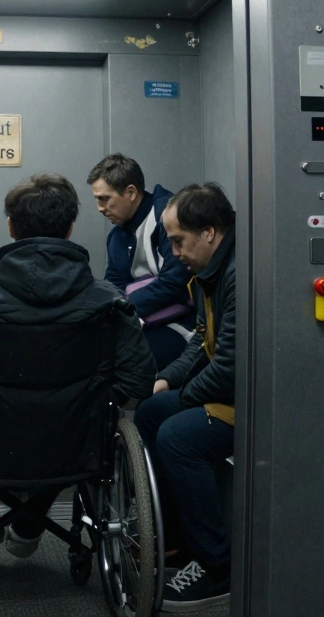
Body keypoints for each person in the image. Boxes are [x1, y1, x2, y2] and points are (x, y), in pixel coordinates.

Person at [0, 172, 156, 558]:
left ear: (11, 227)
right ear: (70, 229)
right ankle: (29, 523)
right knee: (71, 425)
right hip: (76, 448)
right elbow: (139, 381)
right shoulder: (109, 303)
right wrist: (92, 402)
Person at [133, 182, 236, 612]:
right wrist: (167, 380)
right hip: (227, 393)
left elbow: (229, 366)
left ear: (208, 233)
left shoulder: (237, 274)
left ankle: (216, 566)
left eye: (178, 241)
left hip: (252, 404)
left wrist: (186, 395)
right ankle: (173, 539)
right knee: (150, 410)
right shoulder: (209, 273)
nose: (174, 253)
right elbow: (200, 339)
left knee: (177, 437)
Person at [87, 154, 196, 370]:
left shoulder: (168, 217)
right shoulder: (116, 235)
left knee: (126, 362)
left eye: (104, 198)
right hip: (142, 319)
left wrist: (123, 307)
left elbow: (174, 283)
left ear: (130, 192)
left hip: (184, 320)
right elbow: (113, 284)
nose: (100, 208)